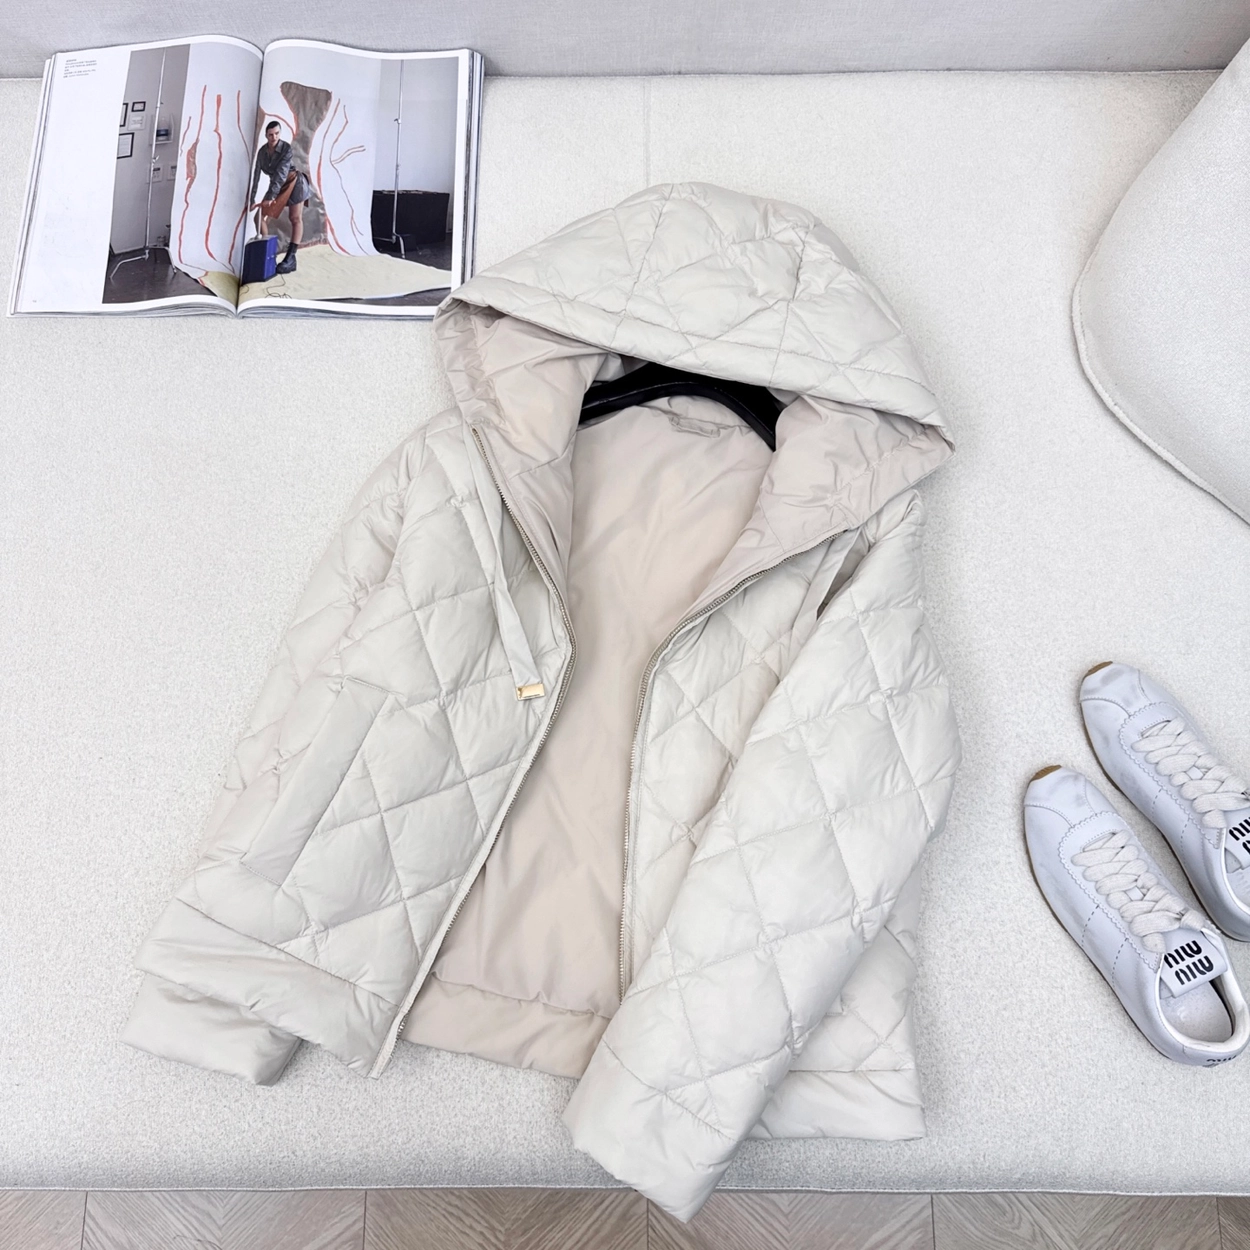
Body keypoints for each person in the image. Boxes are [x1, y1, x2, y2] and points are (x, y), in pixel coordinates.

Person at [250, 120, 311, 275]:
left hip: (293, 182)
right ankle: (267, 254)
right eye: (271, 135)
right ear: (266, 135)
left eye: (277, 133)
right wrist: (252, 198)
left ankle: (291, 258)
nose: (274, 137)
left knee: (295, 218)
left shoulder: (286, 149)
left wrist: (271, 196)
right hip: (277, 185)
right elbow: (255, 176)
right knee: (258, 218)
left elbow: (281, 174)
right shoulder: (262, 152)